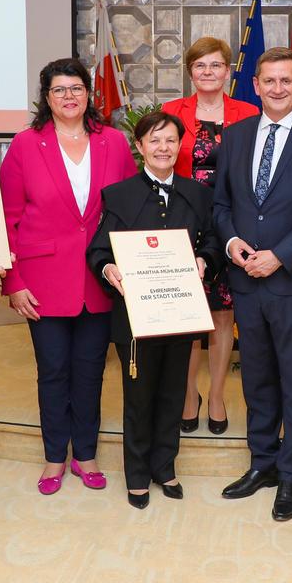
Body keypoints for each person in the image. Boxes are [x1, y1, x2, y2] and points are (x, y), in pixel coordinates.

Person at [213, 47, 292, 521]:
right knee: (257, 379)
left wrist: (280, 256)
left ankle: (291, 474)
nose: (276, 88)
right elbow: (221, 205)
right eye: (268, 81)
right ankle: (262, 463)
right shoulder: (237, 135)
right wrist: (232, 245)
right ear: (255, 85)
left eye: (285, 81)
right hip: (245, 279)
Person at [0, 58, 137, 497]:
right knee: (53, 372)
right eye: (59, 90)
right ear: (47, 97)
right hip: (41, 281)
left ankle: (87, 454)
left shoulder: (113, 142)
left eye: (76, 88)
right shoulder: (25, 145)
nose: (69, 97)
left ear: (88, 94)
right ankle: (55, 455)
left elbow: (130, 208)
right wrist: (13, 281)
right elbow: (7, 217)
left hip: (101, 277)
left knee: (91, 371)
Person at [87, 111, 222, 509]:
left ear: (179, 146)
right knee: (140, 397)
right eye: (154, 141)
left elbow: (212, 242)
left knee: (171, 394)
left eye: (169, 140)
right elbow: (97, 249)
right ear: (141, 147)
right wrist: (108, 268)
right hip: (135, 318)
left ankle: (165, 466)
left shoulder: (197, 195)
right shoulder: (119, 194)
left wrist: (205, 261)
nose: (163, 148)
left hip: (180, 313)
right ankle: (137, 474)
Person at [162, 37, 259, 435]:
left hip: (233, 224)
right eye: (200, 65)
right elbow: (160, 158)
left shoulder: (249, 112)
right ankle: (189, 395)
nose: (208, 72)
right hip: (183, 223)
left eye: (216, 65)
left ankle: (216, 395)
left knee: (222, 313)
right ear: (190, 71)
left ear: (228, 71)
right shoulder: (171, 111)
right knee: (188, 315)